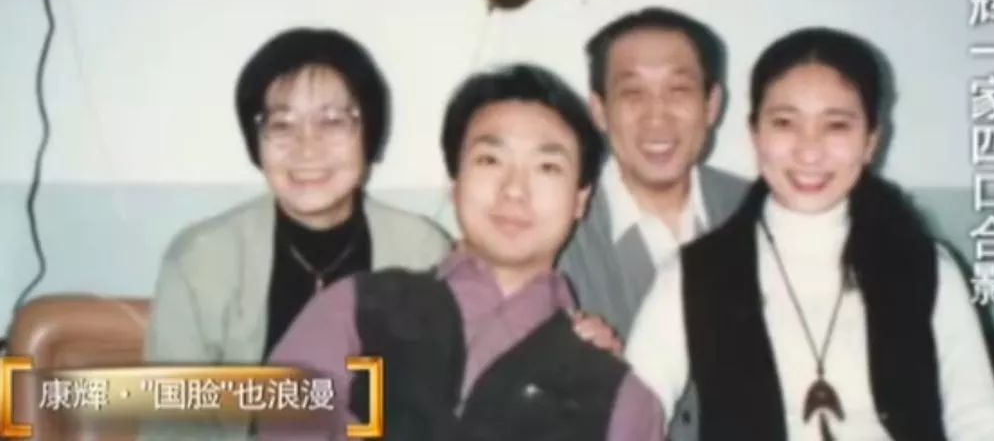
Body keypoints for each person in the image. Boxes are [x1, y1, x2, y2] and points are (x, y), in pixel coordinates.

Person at [626, 27, 994, 440]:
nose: (809, 151)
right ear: (755, 134)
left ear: (870, 141)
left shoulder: (926, 267)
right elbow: (630, 421)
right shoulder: (693, 275)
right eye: (784, 123)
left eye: (836, 126)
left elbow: (979, 420)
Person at [261, 64, 666, 440]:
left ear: (580, 200)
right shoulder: (356, 306)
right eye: (490, 159)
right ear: (454, 184)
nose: (514, 190)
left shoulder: (620, 395)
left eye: (547, 167)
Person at [140, 28, 451, 440]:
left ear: (369, 133)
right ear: (256, 140)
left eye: (332, 121)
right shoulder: (201, 260)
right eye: (283, 124)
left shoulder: (423, 252)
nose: (307, 147)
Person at [558, 7, 748, 437]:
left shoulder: (760, 215)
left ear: (712, 105)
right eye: (632, 93)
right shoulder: (557, 228)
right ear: (599, 110)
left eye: (678, 91)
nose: (656, 116)